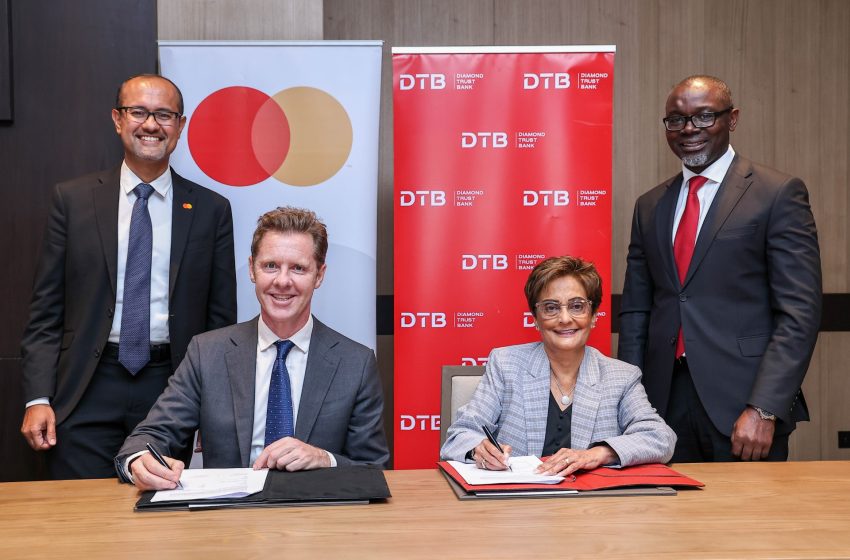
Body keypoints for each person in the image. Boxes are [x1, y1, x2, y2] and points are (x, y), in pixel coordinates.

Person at [19, 74, 237, 479]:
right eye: (138, 112)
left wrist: (214, 408)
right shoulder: (72, 200)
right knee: (80, 518)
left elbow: (219, 324)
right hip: (84, 387)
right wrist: (37, 398)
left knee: (157, 520)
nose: (151, 124)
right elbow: (46, 312)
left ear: (180, 126)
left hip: (171, 390)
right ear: (118, 119)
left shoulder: (211, 210)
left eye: (164, 115)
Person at [618, 75, 822, 462]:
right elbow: (636, 313)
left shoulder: (777, 193)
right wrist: (629, 403)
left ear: (732, 119)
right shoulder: (650, 206)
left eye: (704, 117)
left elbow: (800, 313)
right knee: (665, 520)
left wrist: (765, 407)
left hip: (743, 407)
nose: (688, 130)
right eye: (676, 120)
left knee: (745, 521)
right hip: (661, 406)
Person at [114, 206, 389, 490]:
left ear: (319, 276)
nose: (282, 281)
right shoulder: (208, 353)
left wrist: (325, 459)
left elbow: (374, 469)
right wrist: (139, 460)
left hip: (317, 520)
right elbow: (148, 436)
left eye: (298, 268)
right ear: (252, 269)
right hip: (228, 522)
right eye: (270, 266)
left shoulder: (355, 363)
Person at [441, 256, 675, 475]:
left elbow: (660, 438)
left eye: (576, 306)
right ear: (535, 318)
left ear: (593, 315)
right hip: (518, 506)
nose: (564, 318)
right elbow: (459, 435)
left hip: (593, 510)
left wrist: (598, 454)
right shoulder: (506, 364)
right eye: (551, 307)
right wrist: (478, 451)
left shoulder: (621, 376)